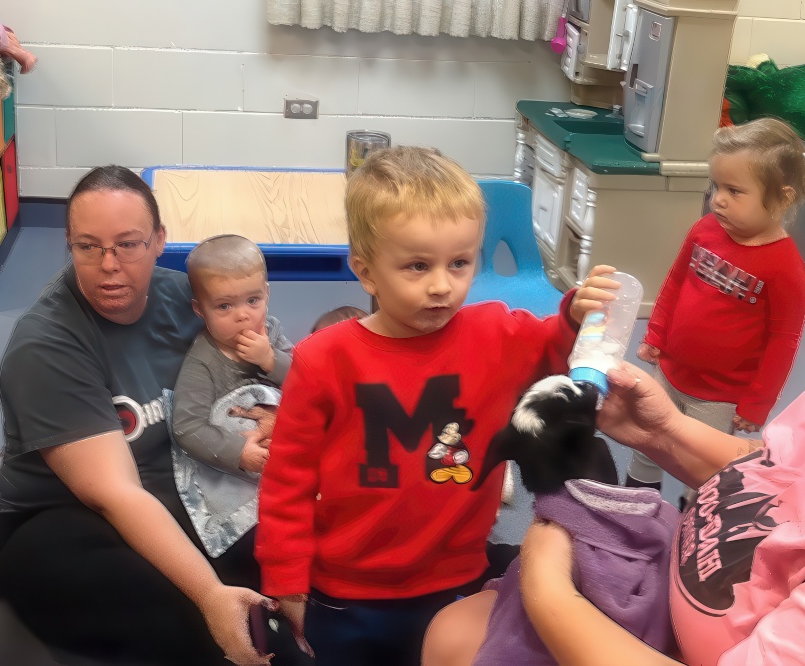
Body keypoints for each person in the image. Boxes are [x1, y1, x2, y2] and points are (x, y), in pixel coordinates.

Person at [424, 151, 805, 664]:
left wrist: (547, 587)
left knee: (456, 639)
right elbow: (783, 481)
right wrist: (665, 432)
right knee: (451, 631)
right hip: (664, 591)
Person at [254, 145, 611, 665]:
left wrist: (576, 312)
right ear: (367, 271)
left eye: (460, 263)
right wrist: (286, 580)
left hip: (455, 576)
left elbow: (556, 346)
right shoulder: (321, 359)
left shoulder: (495, 332)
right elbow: (288, 479)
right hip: (347, 589)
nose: (442, 285)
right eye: (417, 266)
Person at [0, 166, 280, 666]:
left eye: (128, 244)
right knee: (187, 624)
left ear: (160, 241)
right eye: (88, 246)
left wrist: (274, 411)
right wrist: (209, 595)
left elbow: (263, 360)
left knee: (289, 584)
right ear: (69, 245)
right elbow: (115, 495)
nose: (109, 265)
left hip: (184, 488)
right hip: (70, 516)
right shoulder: (46, 345)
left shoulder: (188, 300)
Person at [626, 117, 805, 495]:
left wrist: (756, 405)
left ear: (782, 198)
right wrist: (656, 334)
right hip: (669, 373)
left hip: (718, 398)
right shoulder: (705, 231)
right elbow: (675, 283)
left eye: (734, 191)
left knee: (703, 472)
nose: (718, 198)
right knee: (647, 446)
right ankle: (633, 517)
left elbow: (783, 343)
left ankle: (690, 537)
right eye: (716, 186)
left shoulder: (786, 271)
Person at [171, 234, 293, 559]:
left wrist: (270, 359)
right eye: (224, 306)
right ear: (200, 309)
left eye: (253, 300)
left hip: (287, 459)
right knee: (259, 545)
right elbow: (186, 426)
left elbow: (309, 383)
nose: (243, 315)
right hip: (238, 473)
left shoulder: (272, 333)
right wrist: (240, 452)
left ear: (267, 294)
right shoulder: (202, 362)